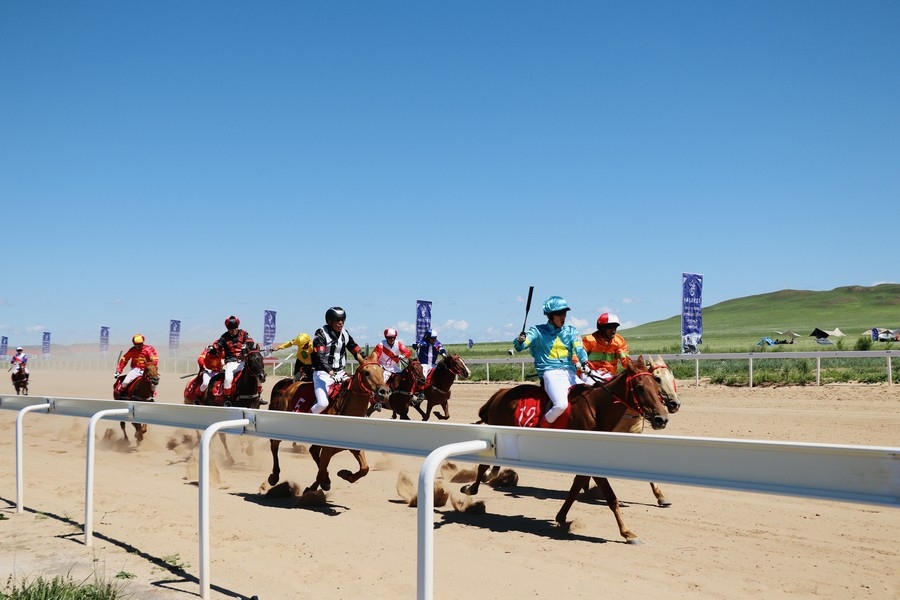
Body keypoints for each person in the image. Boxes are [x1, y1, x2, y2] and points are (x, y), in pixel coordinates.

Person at [513, 295, 589, 426]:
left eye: (564, 313)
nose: (563, 317)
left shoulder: (571, 331)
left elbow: (579, 348)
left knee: (587, 396)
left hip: (570, 373)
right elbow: (521, 346)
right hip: (550, 373)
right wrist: (520, 340)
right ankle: (542, 427)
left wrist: (584, 362)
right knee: (561, 405)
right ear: (550, 316)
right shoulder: (537, 331)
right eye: (559, 314)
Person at [311, 306, 367, 414]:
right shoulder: (321, 333)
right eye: (337, 320)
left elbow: (356, 350)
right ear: (329, 321)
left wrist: (367, 363)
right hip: (323, 374)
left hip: (341, 373)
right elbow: (319, 357)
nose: (341, 323)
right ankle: (308, 417)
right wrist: (331, 373)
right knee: (323, 404)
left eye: (343, 320)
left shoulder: (345, 333)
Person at [213, 316, 256, 399]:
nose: (233, 330)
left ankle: (258, 396)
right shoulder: (224, 337)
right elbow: (218, 345)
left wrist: (246, 346)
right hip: (230, 363)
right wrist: (213, 349)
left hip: (244, 362)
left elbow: (251, 342)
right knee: (228, 379)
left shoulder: (244, 333)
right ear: (227, 329)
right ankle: (227, 399)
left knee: (257, 373)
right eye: (231, 329)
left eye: (235, 328)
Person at [580, 313, 629, 383]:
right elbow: (579, 357)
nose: (613, 330)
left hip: (610, 375)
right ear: (602, 328)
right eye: (610, 327)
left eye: (615, 327)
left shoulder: (619, 341)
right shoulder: (589, 340)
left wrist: (634, 366)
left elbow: (625, 360)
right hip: (590, 373)